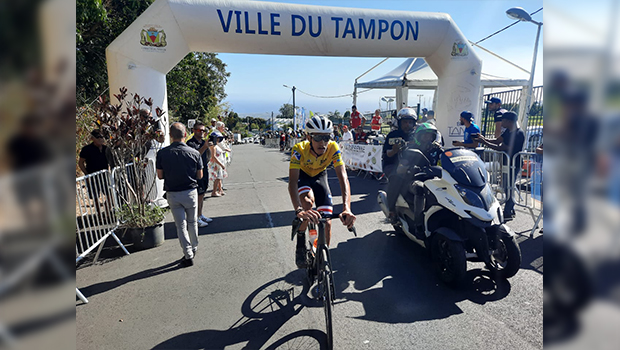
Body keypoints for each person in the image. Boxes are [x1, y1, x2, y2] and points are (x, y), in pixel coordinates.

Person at [289, 116, 356, 268]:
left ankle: (322, 255)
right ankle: (301, 240)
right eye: (318, 137)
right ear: (308, 137)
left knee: (327, 222)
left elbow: (343, 178)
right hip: (303, 176)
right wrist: (298, 210)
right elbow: (293, 181)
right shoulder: (299, 150)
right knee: (307, 204)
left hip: (320, 176)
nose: (323, 143)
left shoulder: (333, 147)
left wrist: (347, 207)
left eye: (326, 137)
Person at [156, 123, 203, 267]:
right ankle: (194, 247)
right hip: (190, 191)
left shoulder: (162, 153)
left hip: (173, 192)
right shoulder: (194, 152)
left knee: (180, 225)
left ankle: (187, 253)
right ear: (185, 134)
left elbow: (160, 175)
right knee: (192, 222)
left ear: (170, 135)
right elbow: (199, 175)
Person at [386, 119, 443, 229]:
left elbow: (445, 161)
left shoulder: (435, 149)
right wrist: (411, 168)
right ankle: (419, 224)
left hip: (434, 178)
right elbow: (400, 169)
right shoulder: (410, 150)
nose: (428, 139)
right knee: (420, 188)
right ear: (418, 137)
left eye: (430, 136)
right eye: (425, 136)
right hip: (414, 179)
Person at [473, 111, 525, 221]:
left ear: (509, 121)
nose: (501, 123)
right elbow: (497, 141)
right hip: (506, 163)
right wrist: (483, 139)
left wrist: (484, 142)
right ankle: (510, 208)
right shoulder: (508, 131)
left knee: (509, 187)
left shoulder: (518, 134)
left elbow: (502, 147)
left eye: (503, 120)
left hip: (514, 164)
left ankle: (508, 211)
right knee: (506, 186)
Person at [186, 121, 214, 227]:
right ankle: (195, 218)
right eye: (199, 130)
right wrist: (205, 147)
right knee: (197, 195)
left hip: (204, 169)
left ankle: (200, 214)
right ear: (193, 130)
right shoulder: (190, 143)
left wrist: (209, 147)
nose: (201, 132)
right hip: (195, 172)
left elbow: (207, 156)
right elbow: (194, 156)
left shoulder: (203, 142)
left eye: (203, 130)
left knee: (202, 193)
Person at [209, 125, 228, 197]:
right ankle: (214, 191)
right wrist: (221, 164)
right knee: (217, 178)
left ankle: (220, 190)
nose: (218, 140)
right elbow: (213, 157)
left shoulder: (216, 145)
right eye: (217, 138)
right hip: (216, 164)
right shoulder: (213, 146)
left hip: (218, 163)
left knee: (219, 177)